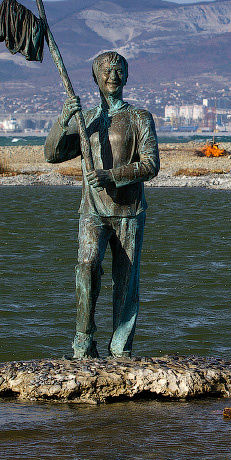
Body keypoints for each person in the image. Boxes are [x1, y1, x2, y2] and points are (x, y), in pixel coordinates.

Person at [44, 51, 159, 359]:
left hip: (128, 212)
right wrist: (63, 119)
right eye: (106, 71)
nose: (113, 76)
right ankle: (83, 342)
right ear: (95, 77)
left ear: (127, 76)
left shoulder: (139, 118)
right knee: (86, 268)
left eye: (119, 70)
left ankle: (120, 348)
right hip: (92, 211)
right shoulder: (87, 121)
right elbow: (53, 154)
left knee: (126, 282)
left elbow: (150, 165)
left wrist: (110, 175)